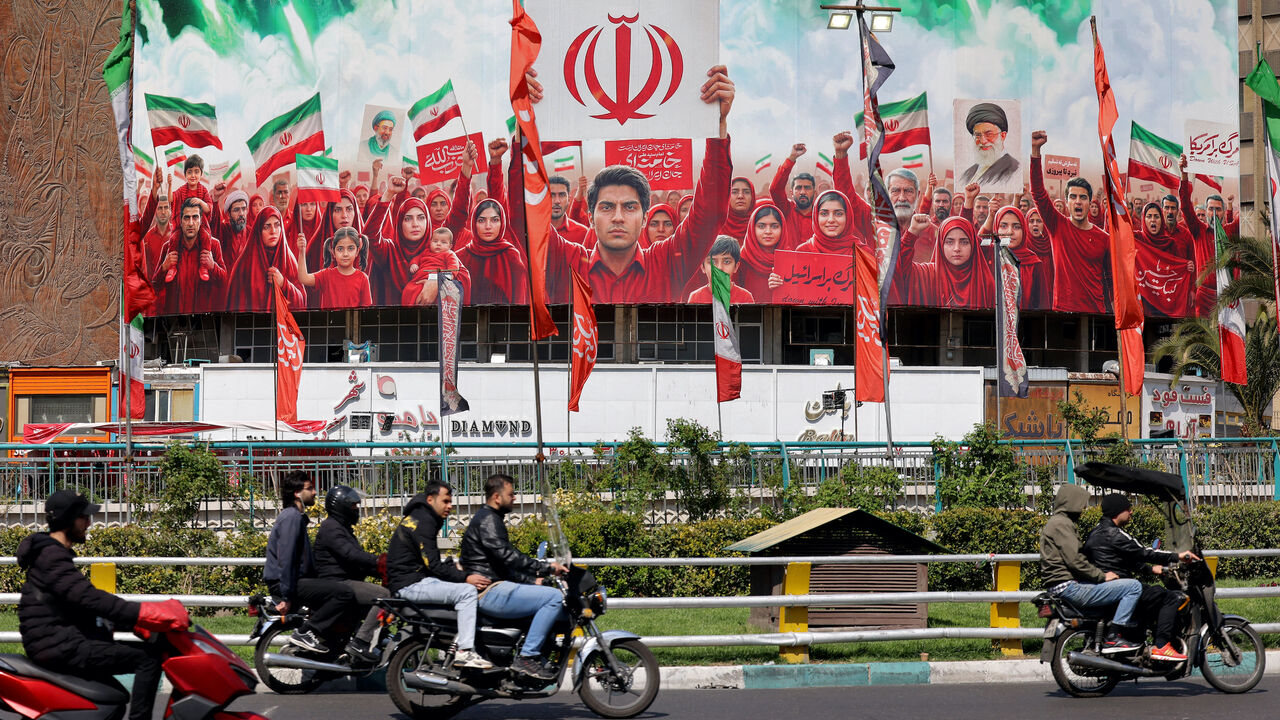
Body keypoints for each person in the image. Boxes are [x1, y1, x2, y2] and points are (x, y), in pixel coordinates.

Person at [537, 64, 735, 304]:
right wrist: (525, 125)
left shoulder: (667, 263)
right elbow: (527, 221)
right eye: (607, 207)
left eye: (630, 207)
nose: (618, 217)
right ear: (590, 217)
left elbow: (708, 216)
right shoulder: (566, 262)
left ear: (644, 219)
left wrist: (716, 126)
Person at [18, 490, 190, 720]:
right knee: (147, 658)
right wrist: (146, 613)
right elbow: (92, 599)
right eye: (83, 517)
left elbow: (83, 605)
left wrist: (134, 624)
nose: (89, 522)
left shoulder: (51, 554)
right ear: (68, 519)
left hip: (61, 641)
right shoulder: (51, 557)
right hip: (60, 646)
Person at [462, 475, 569, 680]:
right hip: (489, 591)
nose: (515, 498)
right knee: (553, 598)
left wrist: (533, 580)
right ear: (496, 497)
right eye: (510, 494)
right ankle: (527, 657)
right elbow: (508, 557)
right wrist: (546, 568)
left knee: (543, 593)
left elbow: (502, 564)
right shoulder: (488, 521)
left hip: (494, 585)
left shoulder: (490, 519)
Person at [387, 479, 493, 670]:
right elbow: (433, 565)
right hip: (410, 584)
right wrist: (466, 577)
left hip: (412, 579)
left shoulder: (421, 516)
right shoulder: (424, 521)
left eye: (450, 501)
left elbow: (429, 562)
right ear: (430, 499)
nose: (450, 506)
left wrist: (454, 570)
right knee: (467, 592)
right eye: (445, 501)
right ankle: (465, 651)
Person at [1082, 494, 1201, 661]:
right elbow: (1145, 552)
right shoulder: (1115, 534)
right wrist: (1178, 556)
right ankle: (1161, 646)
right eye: (1127, 509)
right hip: (1121, 588)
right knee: (1171, 597)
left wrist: (1150, 570)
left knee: (1152, 593)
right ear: (1117, 512)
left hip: (1108, 587)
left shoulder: (1097, 531)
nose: (1131, 512)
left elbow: (1122, 560)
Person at [1040, 484, 1144, 654]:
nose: (1083, 508)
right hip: (1069, 588)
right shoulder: (1062, 524)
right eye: (1081, 504)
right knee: (1133, 587)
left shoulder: (1056, 522)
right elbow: (1075, 560)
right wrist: (1101, 576)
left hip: (1061, 586)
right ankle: (1114, 637)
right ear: (1071, 502)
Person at [263, 471, 355, 654]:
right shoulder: (292, 518)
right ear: (297, 493)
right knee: (344, 593)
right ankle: (306, 633)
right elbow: (287, 559)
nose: (314, 492)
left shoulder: (294, 517)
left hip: (292, 582)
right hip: (286, 584)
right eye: (310, 488)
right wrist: (287, 597)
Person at [1030, 130, 1111, 313]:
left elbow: (1110, 279)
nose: (1078, 201)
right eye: (1073, 197)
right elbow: (1037, 192)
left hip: (1095, 313)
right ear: (1066, 202)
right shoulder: (1057, 226)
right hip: (1063, 311)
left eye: (1082, 197)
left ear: (1090, 202)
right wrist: (1035, 152)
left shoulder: (1104, 239)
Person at [313, 485, 391, 665]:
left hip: (345, 580)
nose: (356, 509)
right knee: (384, 596)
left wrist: (383, 569)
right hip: (337, 582)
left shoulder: (342, 528)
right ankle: (360, 643)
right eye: (354, 506)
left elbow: (356, 560)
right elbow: (351, 555)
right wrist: (380, 561)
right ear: (341, 506)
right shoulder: (331, 528)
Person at [897, 214, 993, 309]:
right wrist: (912, 232)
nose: (957, 248)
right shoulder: (928, 275)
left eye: (964, 242)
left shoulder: (985, 280)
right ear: (941, 244)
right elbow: (899, 266)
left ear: (973, 244)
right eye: (949, 242)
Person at [151, 198, 228, 314]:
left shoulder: (214, 246)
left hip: (203, 321)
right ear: (181, 222)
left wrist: (213, 267)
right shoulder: (168, 248)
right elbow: (155, 286)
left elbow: (224, 283)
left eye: (195, 217)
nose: (191, 223)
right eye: (187, 218)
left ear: (201, 220)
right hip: (174, 320)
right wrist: (164, 267)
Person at [225, 206, 307, 313]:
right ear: (258, 231)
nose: (273, 231)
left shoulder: (289, 260)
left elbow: (302, 302)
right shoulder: (244, 264)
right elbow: (235, 309)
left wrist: (283, 284)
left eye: (277, 225)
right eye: (267, 227)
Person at [455, 199, 529, 305]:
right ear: (473, 223)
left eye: (494, 220)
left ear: (502, 222)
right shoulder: (460, 257)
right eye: (481, 220)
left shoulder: (511, 255)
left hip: (504, 319)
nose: (488, 226)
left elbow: (520, 300)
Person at [1135, 201, 1195, 317]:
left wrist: (1186, 267)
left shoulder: (1169, 243)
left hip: (1164, 304)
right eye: (1149, 216)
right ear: (1144, 219)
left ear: (1161, 220)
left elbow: (1176, 267)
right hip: (1143, 303)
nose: (1153, 220)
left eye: (1156, 216)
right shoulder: (1136, 238)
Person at [991, 205, 1050, 310]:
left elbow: (1042, 304)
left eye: (1016, 227)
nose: (1010, 232)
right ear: (996, 228)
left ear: (1024, 230)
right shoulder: (989, 258)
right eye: (1003, 226)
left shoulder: (1033, 262)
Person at [298, 228, 372, 309]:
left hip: (352, 321)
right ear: (333, 252)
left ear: (357, 251)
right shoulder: (326, 275)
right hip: (329, 321)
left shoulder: (363, 278)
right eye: (340, 249)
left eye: (350, 248)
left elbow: (366, 310)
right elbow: (303, 279)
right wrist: (302, 252)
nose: (345, 254)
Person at [402, 228, 471, 306]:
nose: (438, 244)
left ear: (450, 246)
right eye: (435, 241)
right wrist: (414, 264)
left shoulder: (449, 254)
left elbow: (454, 267)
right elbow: (416, 259)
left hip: (436, 278)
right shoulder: (426, 252)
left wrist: (448, 277)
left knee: (439, 296)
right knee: (408, 290)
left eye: (443, 242)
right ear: (430, 242)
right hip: (419, 279)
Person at [737, 203, 789, 301]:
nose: (768, 231)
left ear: (783, 229)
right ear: (752, 228)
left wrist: (784, 286)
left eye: (774, 226)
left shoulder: (790, 261)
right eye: (761, 226)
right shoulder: (740, 260)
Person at [959, 103, 1019, 186]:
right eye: (978, 135)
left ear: (1003, 135)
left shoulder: (1013, 170)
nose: (983, 141)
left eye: (989, 134)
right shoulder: (968, 174)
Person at [771, 143, 817, 248]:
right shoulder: (786, 209)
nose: (802, 192)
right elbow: (775, 189)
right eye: (798, 188)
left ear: (815, 192)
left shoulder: (822, 215)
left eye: (807, 188)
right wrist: (791, 158)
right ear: (791, 193)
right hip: (788, 263)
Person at [687, 236, 754, 303]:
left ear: (736, 267)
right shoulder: (695, 298)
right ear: (703, 267)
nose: (719, 267)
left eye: (726, 262)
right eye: (712, 262)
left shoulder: (745, 297)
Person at [171, 154, 213, 232]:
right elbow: (171, 200)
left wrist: (200, 202)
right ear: (185, 174)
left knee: (206, 237)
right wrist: (170, 184)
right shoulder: (181, 190)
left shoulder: (203, 190)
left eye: (196, 172)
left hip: (200, 227)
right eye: (189, 172)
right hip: (184, 227)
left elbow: (208, 209)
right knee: (175, 238)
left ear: (201, 174)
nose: (193, 175)